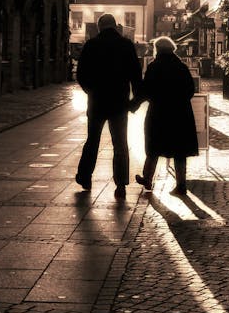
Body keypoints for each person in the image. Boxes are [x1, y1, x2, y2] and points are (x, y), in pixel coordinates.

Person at [75, 13, 141, 198]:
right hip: (119, 102)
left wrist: (90, 91)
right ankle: (121, 184)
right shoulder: (126, 45)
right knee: (120, 144)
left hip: (97, 102)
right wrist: (135, 101)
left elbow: (81, 74)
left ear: (99, 27)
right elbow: (136, 75)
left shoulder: (91, 45)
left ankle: (85, 177)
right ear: (115, 26)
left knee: (92, 141)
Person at [132, 36, 199, 196]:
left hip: (158, 113)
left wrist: (133, 105)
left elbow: (146, 90)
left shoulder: (154, 67)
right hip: (180, 113)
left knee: (153, 147)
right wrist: (179, 100)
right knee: (179, 150)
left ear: (157, 50)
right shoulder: (181, 67)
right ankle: (181, 185)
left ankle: (147, 179)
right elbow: (190, 89)